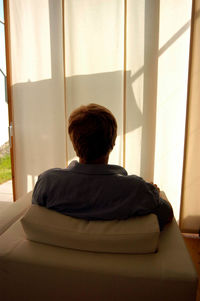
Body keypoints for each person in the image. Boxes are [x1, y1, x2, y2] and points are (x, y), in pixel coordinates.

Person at [32, 103, 173, 230]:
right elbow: (167, 214)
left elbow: (37, 214)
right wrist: (154, 192)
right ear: (112, 143)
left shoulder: (47, 182)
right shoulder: (138, 190)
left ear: (74, 144)